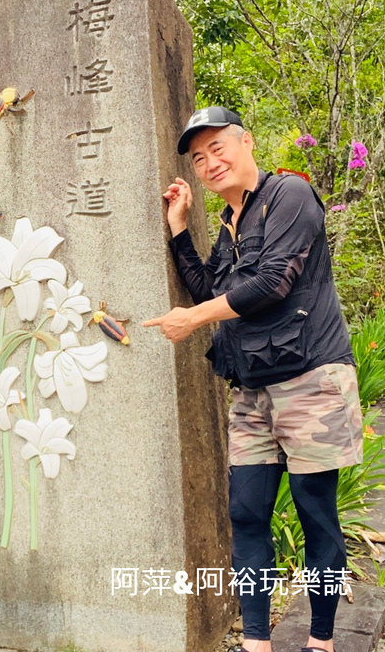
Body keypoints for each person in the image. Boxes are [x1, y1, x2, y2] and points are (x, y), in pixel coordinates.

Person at [142, 107, 363, 652]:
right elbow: (208, 291)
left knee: (316, 516)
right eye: (199, 159)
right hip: (252, 390)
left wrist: (193, 321)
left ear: (247, 144)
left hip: (311, 380)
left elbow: (272, 284)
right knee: (245, 513)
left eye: (219, 149)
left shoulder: (289, 195)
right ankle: (257, 642)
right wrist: (177, 231)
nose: (210, 163)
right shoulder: (227, 224)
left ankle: (321, 639)